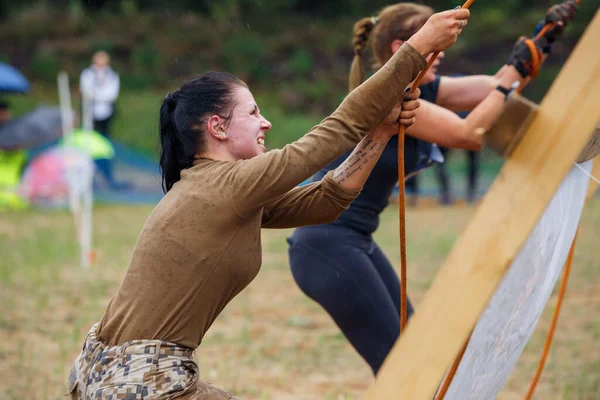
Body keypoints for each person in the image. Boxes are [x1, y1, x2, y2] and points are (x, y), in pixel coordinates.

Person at [66, 9, 469, 399]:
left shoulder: (220, 190)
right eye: (254, 112)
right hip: (142, 384)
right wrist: (417, 47)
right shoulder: (228, 186)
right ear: (218, 127)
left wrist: (380, 132)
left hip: (108, 376)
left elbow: (325, 202)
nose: (266, 123)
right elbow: (339, 128)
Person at [287, 1, 576, 376]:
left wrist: (537, 45)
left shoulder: (423, 88)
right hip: (325, 244)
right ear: (401, 47)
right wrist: (513, 76)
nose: (444, 55)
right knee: (402, 371)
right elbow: (469, 133)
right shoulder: (392, 95)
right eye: (439, 43)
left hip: (350, 239)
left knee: (415, 358)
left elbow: (493, 90)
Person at [79, 50, 128, 190]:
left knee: (105, 146)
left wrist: (97, 95)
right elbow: (87, 93)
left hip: (106, 115)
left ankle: (107, 175)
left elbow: (111, 95)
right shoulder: (88, 74)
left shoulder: (112, 75)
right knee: (90, 146)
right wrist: (98, 95)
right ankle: (91, 176)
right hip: (91, 115)